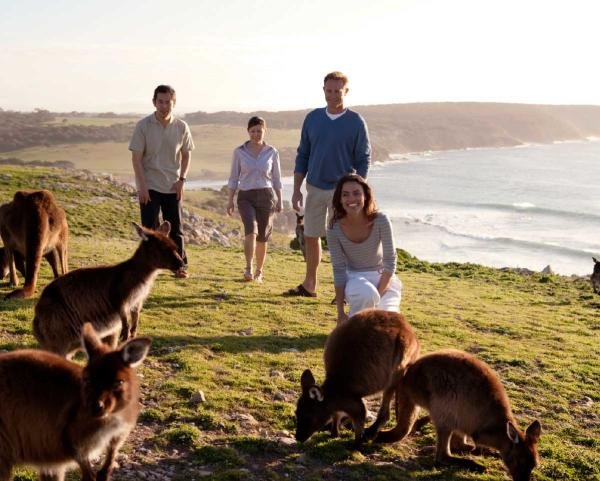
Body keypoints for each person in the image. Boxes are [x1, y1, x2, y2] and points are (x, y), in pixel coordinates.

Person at [285, 71, 371, 297]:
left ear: (346, 91)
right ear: (323, 90)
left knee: (341, 239)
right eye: (329, 90)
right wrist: (296, 189)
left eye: (337, 91)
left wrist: (358, 191)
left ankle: (343, 290)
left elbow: (363, 158)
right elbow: (303, 154)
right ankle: (309, 285)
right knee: (311, 236)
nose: (332, 95)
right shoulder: (312, 118)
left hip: (342, 193)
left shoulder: (355, 122)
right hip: (314, 187)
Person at [129, 84, 194, 279]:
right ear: (154, 102)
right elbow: (136, 159)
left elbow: (186, 155)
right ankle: (148, 267)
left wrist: (182, 180)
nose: (164, 106)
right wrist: (142, 187)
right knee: (149, 230)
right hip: (149, 185)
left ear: (174, 103)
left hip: (172, 185)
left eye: (168, 102)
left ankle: (179, 267)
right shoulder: (143, 126)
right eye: (160, 102)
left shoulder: (181, 127)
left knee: (176, 229)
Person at [326, 173, 401, 324]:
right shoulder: (334, 228)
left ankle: (356, 323)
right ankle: (353, 325)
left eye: (356, 193)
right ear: (340, 200)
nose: (351, 199)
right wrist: (340, 313)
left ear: (365, 196)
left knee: (388, 325)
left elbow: (390, 262)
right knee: (367, 295)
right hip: (355, 279)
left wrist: (378, 297)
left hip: (384, 279)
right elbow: (339, 270)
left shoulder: (381, 220)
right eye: (345, 195)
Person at [227, 116, 283, 282]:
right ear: (248, 131)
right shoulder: (239, 152)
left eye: (259, 131)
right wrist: (230, 200)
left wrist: (280, 200)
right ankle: (248, 268)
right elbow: (233, 178)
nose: (256, 134)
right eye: (253, 131)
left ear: (264, 131)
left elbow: (277, 179)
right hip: (245, 196)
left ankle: (259, 271)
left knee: (262, 236)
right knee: (251, 230)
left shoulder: (272, 152)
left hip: (266, 196)